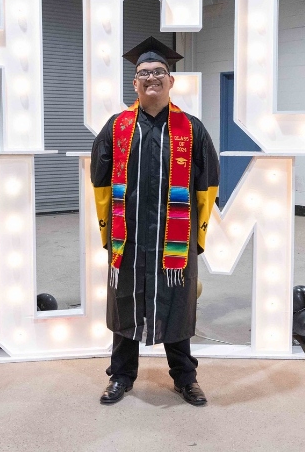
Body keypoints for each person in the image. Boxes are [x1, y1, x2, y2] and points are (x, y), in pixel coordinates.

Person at [90, 37, 219, 406]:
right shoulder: (116, 128)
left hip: (173, 239)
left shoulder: (191, 129)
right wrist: (107, 234)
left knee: (176, 304)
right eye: (143, 73)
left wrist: (196, 238)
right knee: (126, 302)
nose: (151, 78)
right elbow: (100, 182)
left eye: (159, 72)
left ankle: (185, 378)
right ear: (134, 83)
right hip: (127, 236)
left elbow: (207, 185)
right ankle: (121, 376)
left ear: (171, 80)